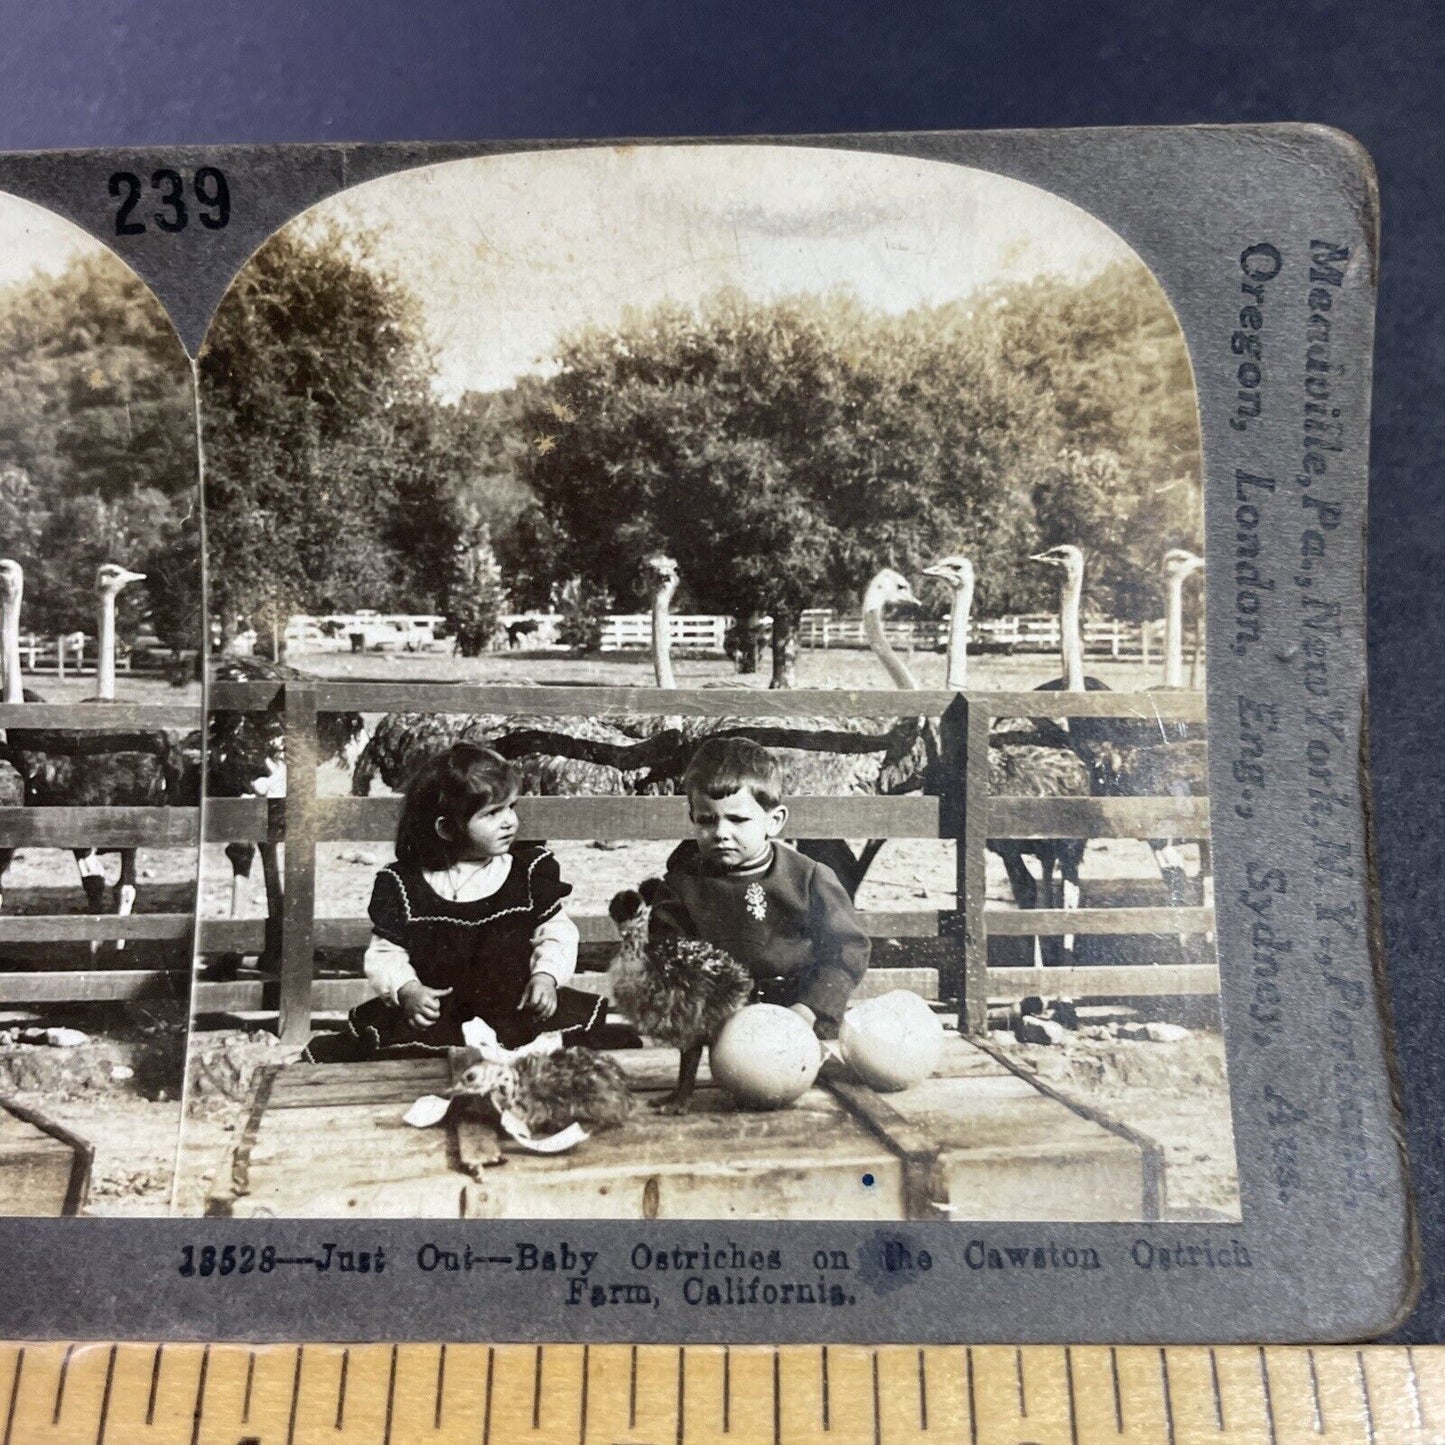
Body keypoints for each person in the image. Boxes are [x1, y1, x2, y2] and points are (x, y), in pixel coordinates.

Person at [304, 742, 605, 1062]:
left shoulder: (526, 873)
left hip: (514, 1009)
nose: (509, 822)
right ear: (447, 828)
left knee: (561, 1051)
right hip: (441, 1016)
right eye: (492, 813)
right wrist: (407, 989)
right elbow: (385, 951)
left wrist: (545, 976)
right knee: (417, 1059)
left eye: (511, 807)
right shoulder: (406, 885)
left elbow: (557, 932)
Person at [648, 736, 870, 1040]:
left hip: (799, 1020)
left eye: (738, 819)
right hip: (717, 1023)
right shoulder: (682, 886)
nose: (720, 833)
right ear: (692, 819)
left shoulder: (808, 879)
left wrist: (809, 1010)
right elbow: (666, 955)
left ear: (774, 820)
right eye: (706, 820)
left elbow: (847, 950)